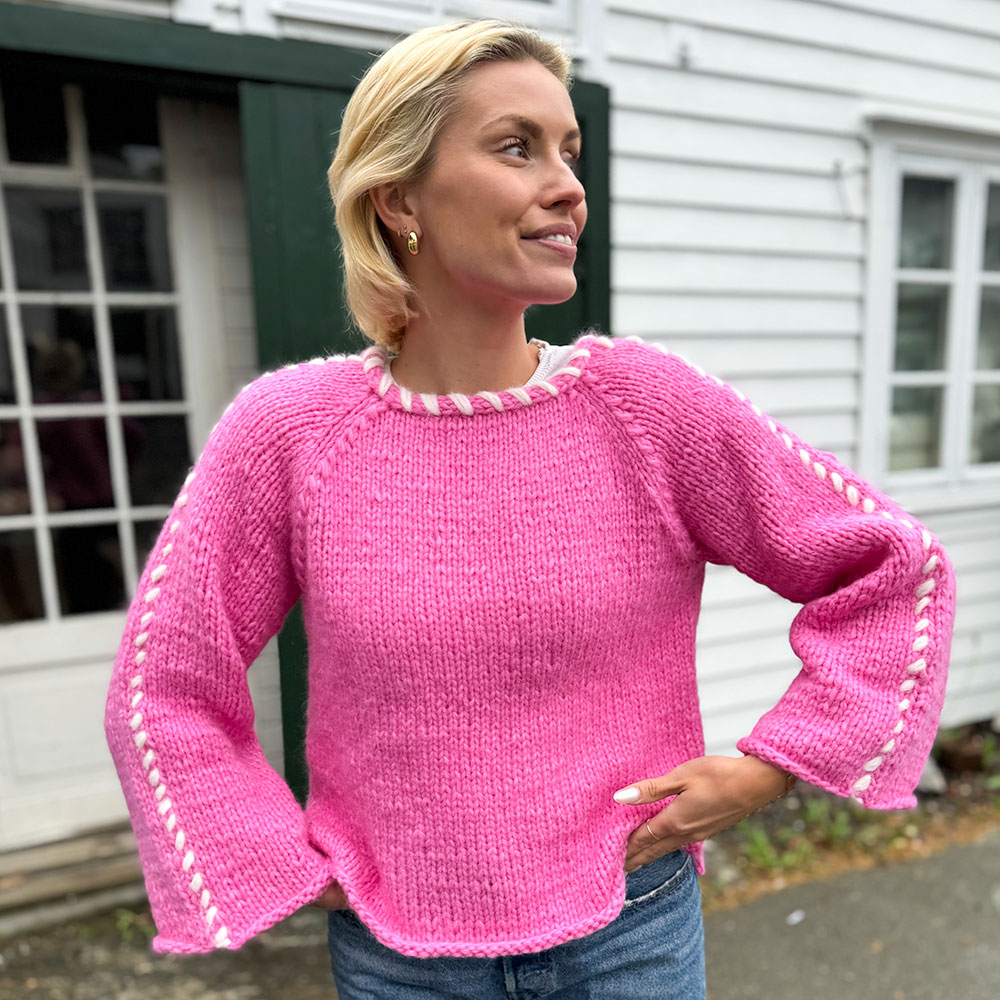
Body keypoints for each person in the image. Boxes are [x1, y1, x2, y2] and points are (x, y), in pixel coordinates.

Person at [104, 18, 956, 999]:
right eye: (517, 147)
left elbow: (893, 568)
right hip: (397, 956)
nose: (567, 186)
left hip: (630, 933)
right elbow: (163, 682)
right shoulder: (292, 433)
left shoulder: (646, 408)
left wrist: (772, 765)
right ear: (398, 197)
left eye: (569, 152)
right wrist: (273, 859)